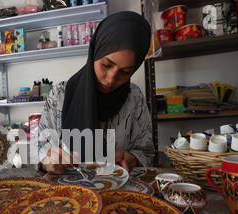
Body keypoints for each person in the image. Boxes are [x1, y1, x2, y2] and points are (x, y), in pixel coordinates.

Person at [38, 11, 155, 174]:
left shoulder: (134, 98)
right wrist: (47, 160)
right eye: (106, 65)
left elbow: (147, 151)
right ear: (94, 53)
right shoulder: (59, 95)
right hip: (70, 193)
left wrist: (132, 158)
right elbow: (39, 149)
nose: (111, 79)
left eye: (125, 72)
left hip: (120, 193)